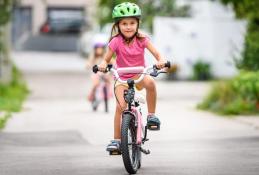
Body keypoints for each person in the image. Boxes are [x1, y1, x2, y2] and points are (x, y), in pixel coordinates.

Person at [97, 2, 167, 152]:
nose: (128, 27)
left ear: (138, 23)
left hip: (139, 74)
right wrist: (103, 64)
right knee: (120, 107)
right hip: (121, 77)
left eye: (132, 23)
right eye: (124, 23)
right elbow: (106, 58)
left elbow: (157, 54)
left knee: (151, 84)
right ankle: (116, 140)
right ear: (118, 25)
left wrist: (160, 61)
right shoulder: (115, 41)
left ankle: (151, 116)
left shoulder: (142, 39)